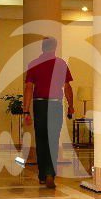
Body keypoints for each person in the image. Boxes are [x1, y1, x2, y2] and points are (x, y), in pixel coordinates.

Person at [23, 37, 74, 188]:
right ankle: (50, 173)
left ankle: (42, 175)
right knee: (53, 139)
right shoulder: (61, 64)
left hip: (39, 105)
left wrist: (26, 111)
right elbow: (67, 87)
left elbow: (29, 88)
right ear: (55, 47)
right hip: (55, 105)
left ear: (42, 47)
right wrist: (71, 106)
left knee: (41, 139)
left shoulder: (34, 64)